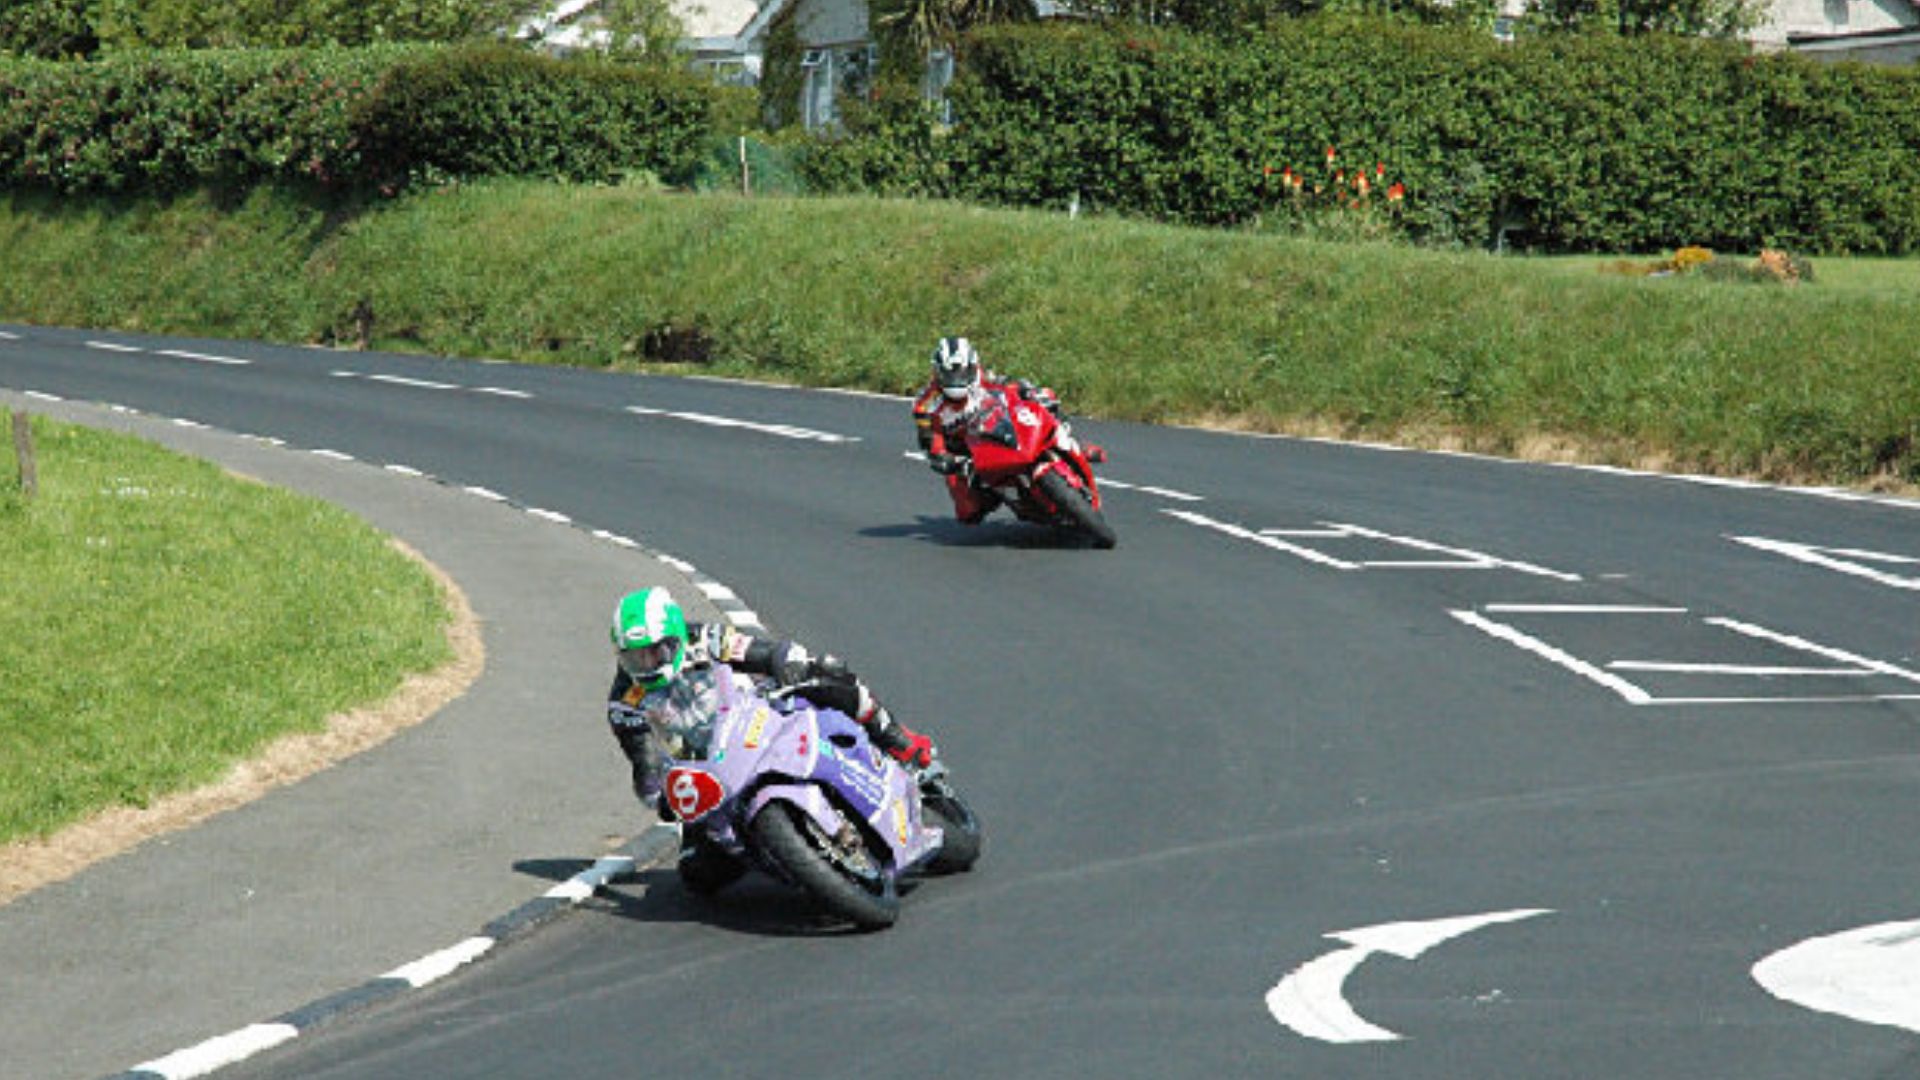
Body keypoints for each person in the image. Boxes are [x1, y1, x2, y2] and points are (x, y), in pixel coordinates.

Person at [604, 585, 939, 820]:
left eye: (655, 652)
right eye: (635, 658)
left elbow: (762, 652)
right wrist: (660, 796)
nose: (647, 664)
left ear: (675, 635)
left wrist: (792, 662)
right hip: (710, 769)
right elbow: (644, 763)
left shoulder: (703, 639)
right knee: (698, 875)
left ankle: (896, 738)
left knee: (830, 674)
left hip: (759, 716)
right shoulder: (624, 702)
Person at [911, 335, 1102, 524]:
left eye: (961, 372)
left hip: (995, 427)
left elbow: (1006, 386)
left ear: (972, 365)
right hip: (966, 452)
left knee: (1046, 398)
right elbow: (931, 441)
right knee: (968, 512)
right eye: (950, 374)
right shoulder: (926, 405)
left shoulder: (981, 376)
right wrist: (943, 459)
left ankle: (1073, 442)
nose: (956, 379)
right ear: (938, 372)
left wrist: (1028, 391)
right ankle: (1011, 497)